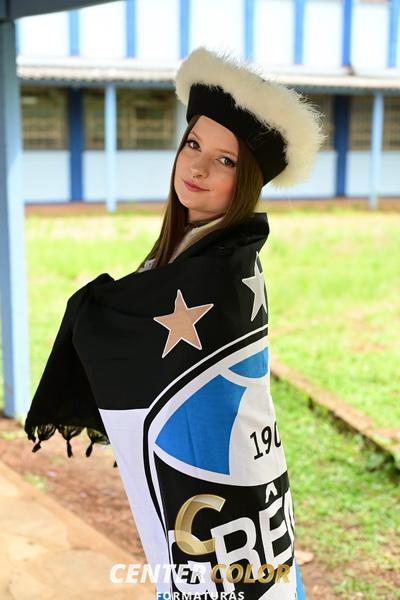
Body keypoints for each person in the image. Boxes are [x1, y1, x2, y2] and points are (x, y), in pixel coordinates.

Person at [24, 46, 325, 599]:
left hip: (226, 476)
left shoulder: (220, 272)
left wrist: (91, 310)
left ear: (249, 179)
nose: (198, 167)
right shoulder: (189, 251)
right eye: (193, 144)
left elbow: (129, 328)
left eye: (226, 160)